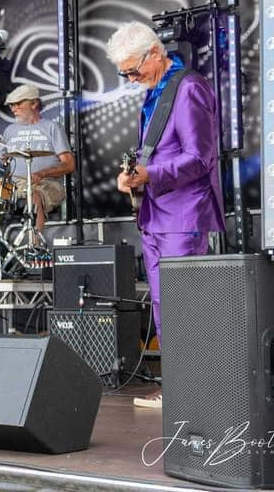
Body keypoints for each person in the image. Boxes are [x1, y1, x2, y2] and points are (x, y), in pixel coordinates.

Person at [107, 21, 225, 409]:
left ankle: (196, 391)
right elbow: (156, 153)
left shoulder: (188, 87)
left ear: (155, 53)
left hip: (184, 215)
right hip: (156, 212)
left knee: (184, 306)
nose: (130, 78)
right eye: (124, 73)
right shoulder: (156, 91)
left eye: (132, 70)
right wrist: (133, 178)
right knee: (163, 305)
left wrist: (150, 174)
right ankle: (178, 387)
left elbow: (199, 157)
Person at [0, 84, 75, 234]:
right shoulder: (9, 130)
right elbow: (0, 161)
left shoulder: (52, 127)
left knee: (34, 196)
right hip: (14, 185)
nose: (13, 109)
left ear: (34, 103)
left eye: (18, 104)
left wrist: (43, 173)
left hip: (47, 183)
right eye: (11, 105)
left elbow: (69, 164)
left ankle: (35, 245)